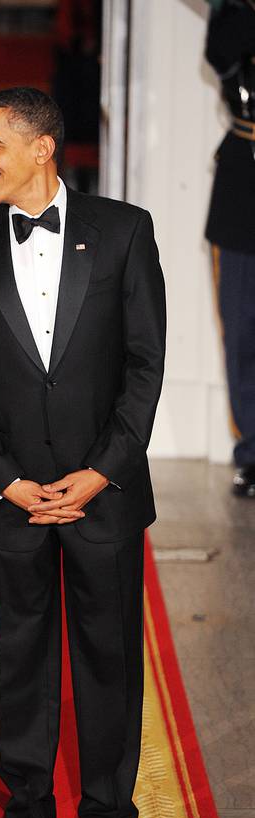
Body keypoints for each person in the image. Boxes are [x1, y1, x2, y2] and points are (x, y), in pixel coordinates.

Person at [0, 87, 165, 818]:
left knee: (109, 665)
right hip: (14, 502)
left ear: (41, 147)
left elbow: (144, 368)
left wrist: (100, 473)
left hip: (104, 495)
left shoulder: (126, 232)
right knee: (18, 666)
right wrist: (8, 482)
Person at [204, 0, 255, 496]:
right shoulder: (236, 13)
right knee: (242, 333)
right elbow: (222, 53)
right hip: (244, 181)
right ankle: (253, 452)